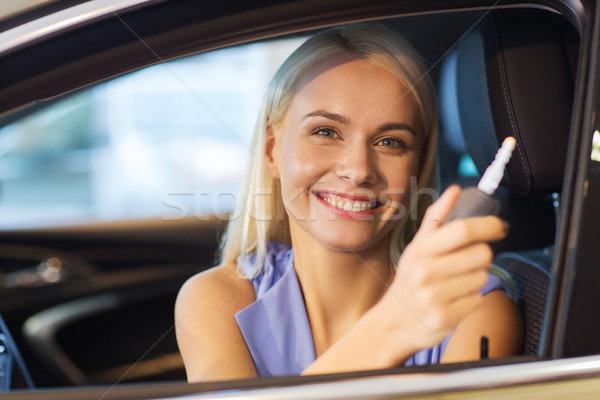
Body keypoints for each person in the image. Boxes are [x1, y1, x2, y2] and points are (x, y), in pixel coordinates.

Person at [175, 23, 523, 382]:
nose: (358, 171)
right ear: (271, 150)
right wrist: (392, 328)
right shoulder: (214, 300)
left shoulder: (476, 311)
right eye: (325, 132)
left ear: (418, 165)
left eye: (390, 142)